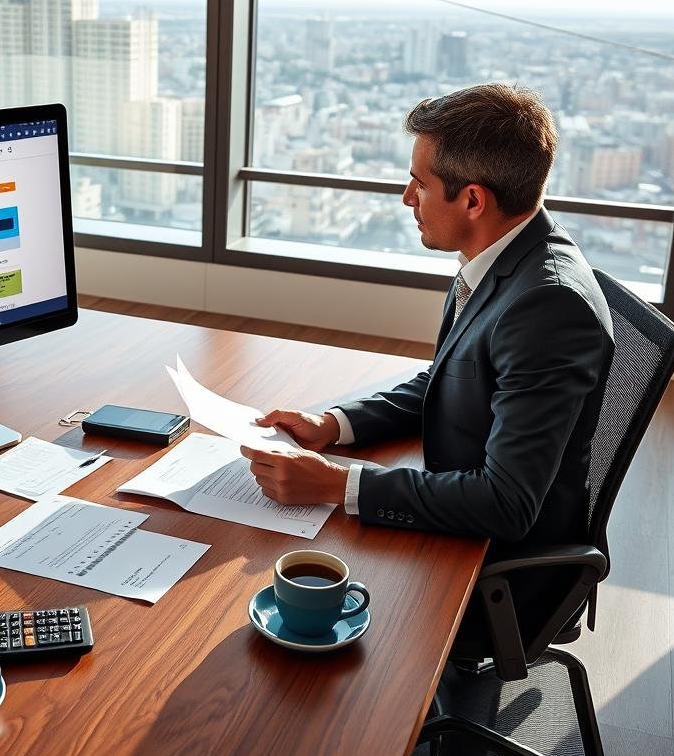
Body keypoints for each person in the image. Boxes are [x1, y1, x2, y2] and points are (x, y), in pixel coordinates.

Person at [242, 83, 613, 560]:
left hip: (492, 557)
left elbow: (505, 504)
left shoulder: (548, 307)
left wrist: (338, 484)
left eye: (420, 184)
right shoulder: (505, 254)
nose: (406, 198)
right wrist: (333, 424)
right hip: (454, 496)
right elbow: (454, 379)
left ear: (473, 201)